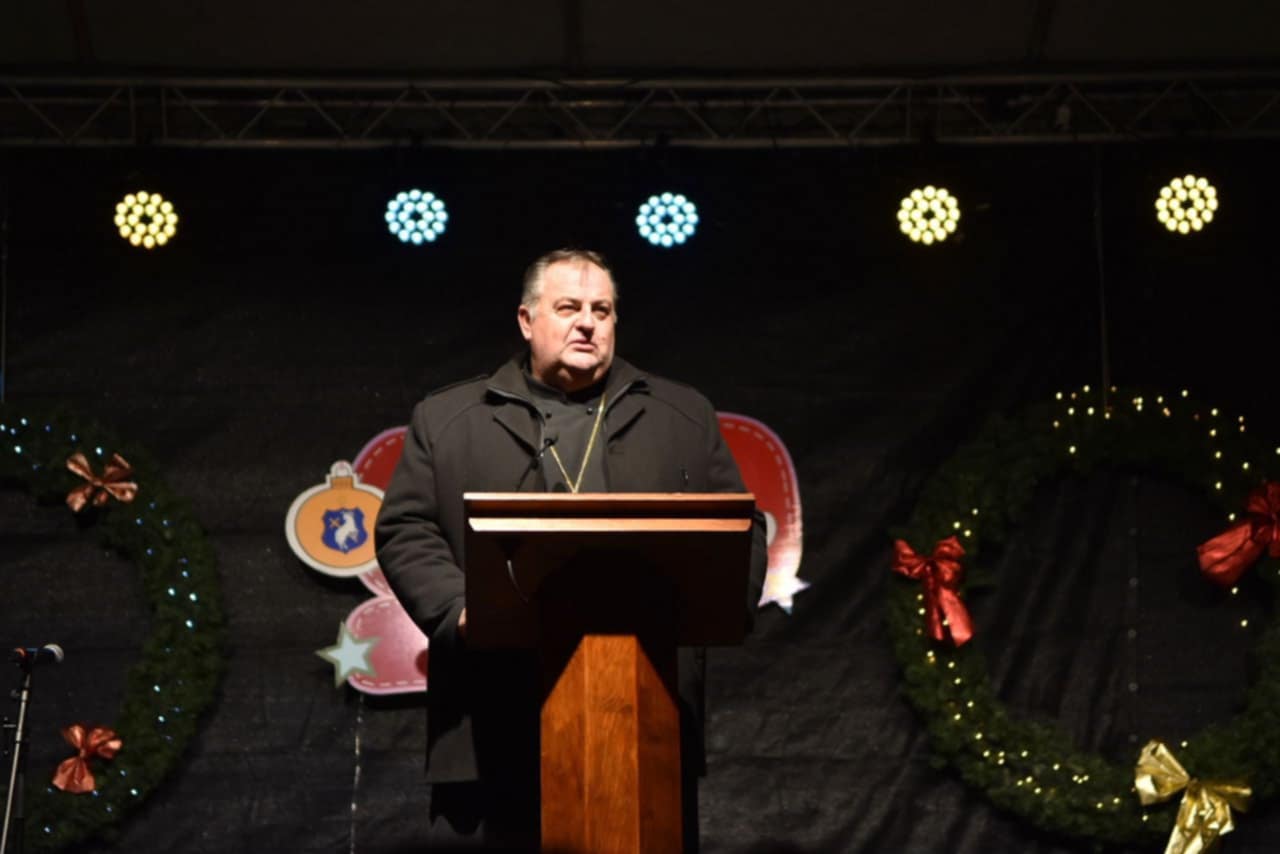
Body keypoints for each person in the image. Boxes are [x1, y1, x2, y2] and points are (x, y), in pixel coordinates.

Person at [375, 248, 767, 850]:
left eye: (601, 310)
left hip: (646, 711)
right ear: (527, 320)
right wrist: (460, 610)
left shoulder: (681, 415)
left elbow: (739, 528)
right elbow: (406, 528)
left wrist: (715, 605)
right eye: (568, 308)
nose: (587, 323)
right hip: (497, 709)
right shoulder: (449, 417)